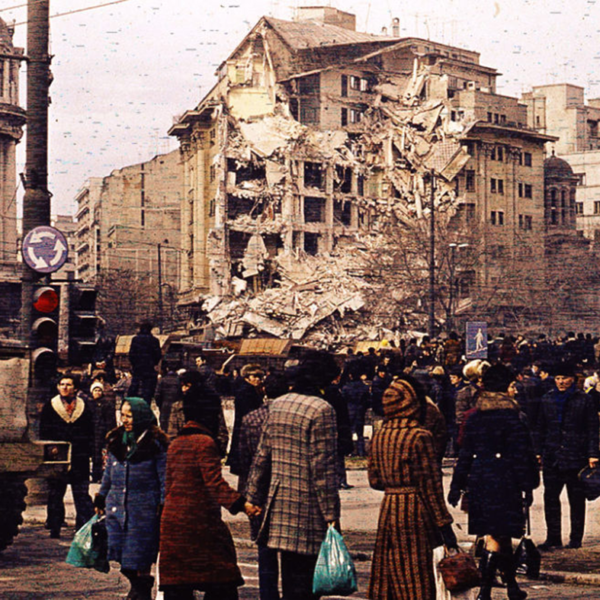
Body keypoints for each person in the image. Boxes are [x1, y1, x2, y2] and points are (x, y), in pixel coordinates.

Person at [245, 351, 341, 600]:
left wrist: (252, 496)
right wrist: (331, 515)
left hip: (279, 505)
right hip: (308, 507)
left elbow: (262, 456)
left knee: (289, 577)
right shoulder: (322, 410)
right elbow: (323, 468)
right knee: (307, 582)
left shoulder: (278, 405)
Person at [448, 364, 540, 600]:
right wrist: (529, 484)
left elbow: (465, 454)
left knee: (501, 535)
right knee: (496, 537)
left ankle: (512, 587)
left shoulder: (475, 418)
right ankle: (485, 592)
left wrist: (457, 485)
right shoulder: (514, 418)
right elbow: (523, 456)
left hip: (481, 481)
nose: (515, 390)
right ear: (503, 388)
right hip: (505, 483)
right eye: (512, 386)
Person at [159, 395, 260, 600]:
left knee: (179, 583)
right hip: (198, 523)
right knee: (222, 577)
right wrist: (243, 504)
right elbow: (215, 483)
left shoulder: (176, 444)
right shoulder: (205, 443)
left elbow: (168, 485)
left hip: (172, 523)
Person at [368, 375, 457, 600]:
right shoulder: (420, 436)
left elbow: (374, 481)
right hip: (415, 510)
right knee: (416, 572)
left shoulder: (379, 435)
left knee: (390, 569)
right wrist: (444, 525)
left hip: (389, 507)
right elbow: (431, 486)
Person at [94, 397, 168, 600]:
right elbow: (108, 474)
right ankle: (138, 587)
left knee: (139, 556)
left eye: (130, 416)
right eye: (123, 415)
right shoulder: (116, 441)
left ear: (141, 417)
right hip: (116, 508)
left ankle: (140, 591)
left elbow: (164, 478)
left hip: (143, 511)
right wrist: (101, 496)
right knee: (119, 553)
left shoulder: (155, 445)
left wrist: (164, 504)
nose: (124, 420)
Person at [533, 361, 599, 550]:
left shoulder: (584, 399)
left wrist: (593, 454)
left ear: (573, 379)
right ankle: (553, 537)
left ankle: (575, 538)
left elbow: (592, 428)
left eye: (565, 378)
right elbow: (540, 427)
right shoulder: (547, 398)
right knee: (550, 498)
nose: (561, 382)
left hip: (576, 456)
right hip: (552, 455)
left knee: (576, 499)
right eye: (558, 378)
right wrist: (538, 451)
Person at [237, 373, 289, 600]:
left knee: (265, 550)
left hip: (259, 490)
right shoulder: (290, 418)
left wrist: (246, 495)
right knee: (289, 552)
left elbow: (244, 459)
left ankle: (268, 595)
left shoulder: (251, 419)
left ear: (264, 390)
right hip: (286, 488)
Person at [40, 372, 95, 538]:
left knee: (81, 493)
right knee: (56, 492)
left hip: (79, 455)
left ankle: (83, 527)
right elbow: (44, 430)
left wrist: (90, 451)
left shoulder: (84, 406)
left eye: (69, 384)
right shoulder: (51, 406)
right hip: (58, 455)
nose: (65, 387)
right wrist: (50, 448)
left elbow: (90, 431)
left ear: (75, 388)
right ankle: (55, 526)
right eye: (62, 384)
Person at [227, 364, 265, 475]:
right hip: (247, 429)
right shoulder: (248, 392)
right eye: (254, 376)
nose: (257, 379)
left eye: (259, 377)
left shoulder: (246, 390)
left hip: (241, 428)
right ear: (247, 377)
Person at [89, 380, 117, 483]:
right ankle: (95, 475)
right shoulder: (89, 403)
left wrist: (110, 432)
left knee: (101, 455)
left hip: (102, 432)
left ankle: (101, 476)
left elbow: (110, 420)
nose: (97, 392)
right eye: (95, 390)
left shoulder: (106, 404)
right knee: (94, 455)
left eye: (99, 390)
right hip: (91, 432)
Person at [128, 321, 162, 403]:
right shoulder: (155, 340)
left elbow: (131, 354)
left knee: (134, 389)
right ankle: (146, 406)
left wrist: (134, 364)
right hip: (149, 369)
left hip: (137, 369)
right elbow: (158, 355)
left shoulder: (135, 339)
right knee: (148, 392)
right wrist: (154, 363)